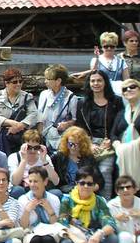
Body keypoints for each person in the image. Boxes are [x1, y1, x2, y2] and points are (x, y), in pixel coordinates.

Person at [57, 166, 118, 243]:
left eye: (89, 184)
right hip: (76, 240)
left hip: (95, 240)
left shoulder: (99, 201)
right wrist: (78, 239)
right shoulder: (67, 200)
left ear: (94, 185)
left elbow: (110, 222)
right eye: (82, 183)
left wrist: (99, 234)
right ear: (76, 183)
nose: (85, 186)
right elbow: (62, 222)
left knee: (113, 238)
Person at [76, 70, 123, 199]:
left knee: (105, 171)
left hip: (108, 143)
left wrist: (111, 141)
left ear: (105, 82)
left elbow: (119, 125)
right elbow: (80, 127)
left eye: (99, 80)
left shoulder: (116, 101)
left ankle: (105, 204)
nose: (96, 83)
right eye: (93, 81)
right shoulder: (82, 103)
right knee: (87, 174)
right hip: (89, 143)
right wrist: (89, 144)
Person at [17, 166, 62, 243]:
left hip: (49, 230)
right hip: (31, 231)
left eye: (36, 181)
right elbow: (23, 226)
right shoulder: (23, 199)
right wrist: (27, 211)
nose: (32, 184)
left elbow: (55, 224)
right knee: (35, 240)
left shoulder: (54, 199)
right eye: (30, 181)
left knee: (47, 240)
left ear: (45, 181)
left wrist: (49, 210)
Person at [0, 67, 40, 155]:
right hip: (0, 135)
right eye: (15, 82)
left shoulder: (27, 96)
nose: (18, 84)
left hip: (21, 135)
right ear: (6, 83)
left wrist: (20, 126)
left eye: (20, 81)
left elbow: (34, 114)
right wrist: (14, 123)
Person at [7, 129, 58, 199]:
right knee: (17, 190)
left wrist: (44, 161)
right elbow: (15, 182)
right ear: (23, 145)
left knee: (56, 193)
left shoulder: (45, 157)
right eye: (29, 147)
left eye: (36, 147)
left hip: (42, 189)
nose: (32, 151)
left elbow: (56, 182)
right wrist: (24, 160)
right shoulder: (14, 157)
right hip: (23, 190)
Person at [51, 126, 102, 196]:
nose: (73, 148)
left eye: (77, 145)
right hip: (65, 193)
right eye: (70, 144)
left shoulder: (89, 158)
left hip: (85, 192)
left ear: (82, 144)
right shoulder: (58, 157)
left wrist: (90, 188)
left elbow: (100, 181)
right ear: (66, 142)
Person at [37, 64, 78, 150]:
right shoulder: (44, 94)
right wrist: (39, 136)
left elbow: (75, 119)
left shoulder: (70, 97)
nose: (45, 81)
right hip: (44, 136)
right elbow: (39, 116)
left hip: (60, 137)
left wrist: (66, 124)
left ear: (58, 81)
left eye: (48, 79)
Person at [108, 176, 140, 243]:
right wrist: (116, 219)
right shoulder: (111, 205)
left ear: (135, 189)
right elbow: (106, 225)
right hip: (120, 240)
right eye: (122, 188)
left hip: (138, 238)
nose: (125, 190)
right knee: (124, 237)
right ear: (117, 191)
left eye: (128, 187)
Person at [111, 78, 140, 143]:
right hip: (123, 150)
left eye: (132, 87)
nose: (128, 89)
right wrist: (117, 144)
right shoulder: (121, 113)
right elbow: (113, 134)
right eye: (125, 89)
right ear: (123, 95)